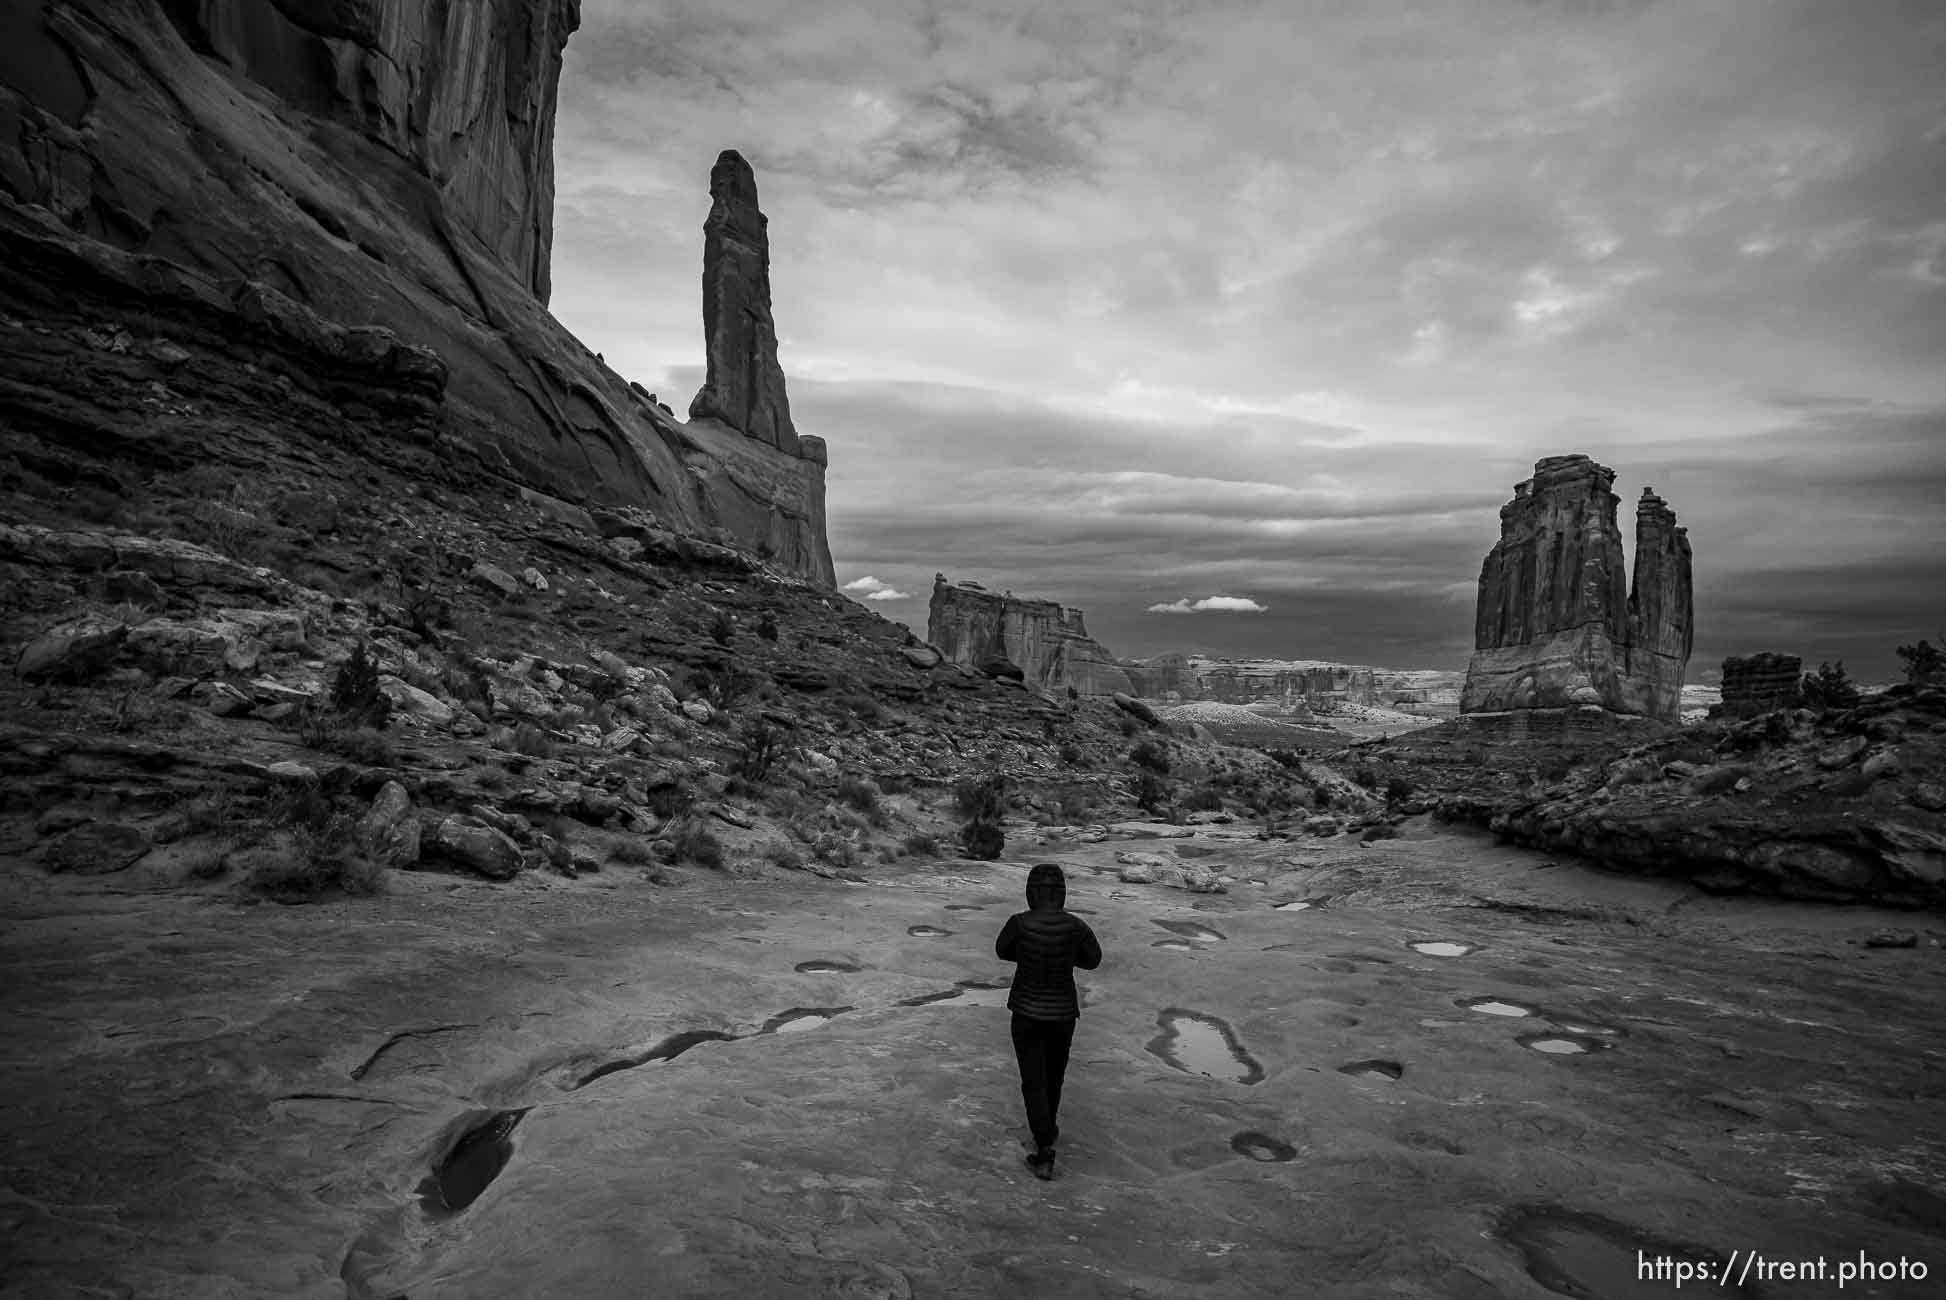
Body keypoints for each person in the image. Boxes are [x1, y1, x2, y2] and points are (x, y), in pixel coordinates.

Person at [994, 863, 1102, 1180]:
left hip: (1026, 1012)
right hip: (1063, 1013)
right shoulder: (1075, 926)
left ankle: (1044, 1149)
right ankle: (1048, 1130)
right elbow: (1093, 960)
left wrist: (1027, 954)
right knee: (1054, 1076)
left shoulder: (1019, 924)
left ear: (1031, 893)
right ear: (1061, 893)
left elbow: (1002, 951)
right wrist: (1068, 957)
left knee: (1033, 1080)